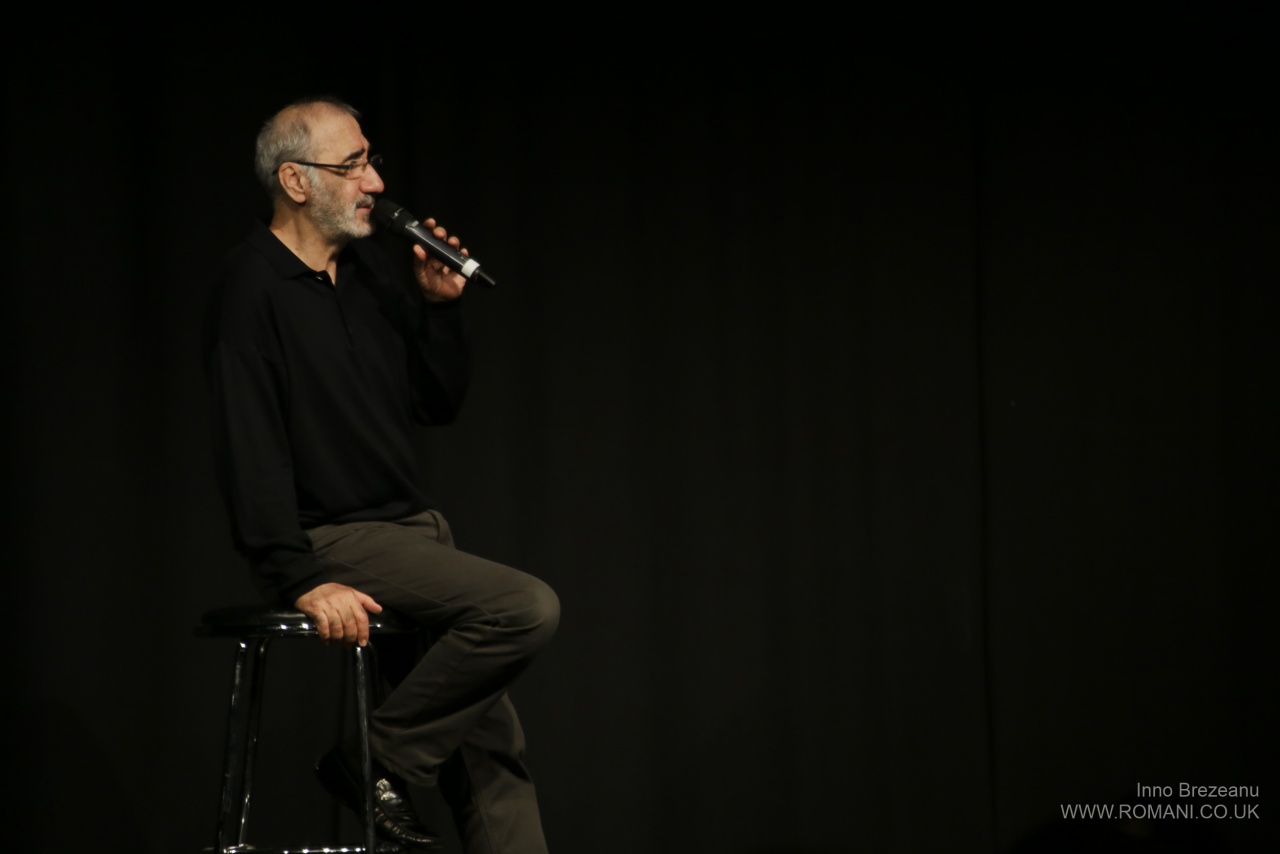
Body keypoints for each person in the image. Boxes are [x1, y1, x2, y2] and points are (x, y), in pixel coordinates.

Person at [202, 95, 560, 853]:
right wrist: (297, 576)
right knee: (523, 607)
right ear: (296, 181)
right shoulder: (252, 286)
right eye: (353, 165)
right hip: (337, 537)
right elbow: (249, 444)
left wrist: (440, 310)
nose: (375, 183)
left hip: (414, 534)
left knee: (491, 752)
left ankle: (384, 760)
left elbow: (435, 402)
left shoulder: (364, 276)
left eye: (372, 162)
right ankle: (375, 761)